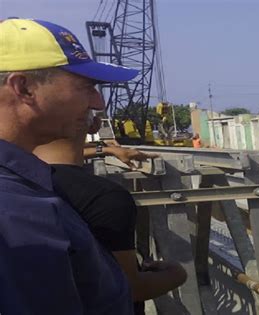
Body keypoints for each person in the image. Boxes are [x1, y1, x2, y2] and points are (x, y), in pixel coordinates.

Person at [0, 18, 139, 314]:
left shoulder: (24, 187)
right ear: (23, 88)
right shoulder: (17, 212)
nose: (98, 104)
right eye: (86, 87)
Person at [33, 115, 187, 315]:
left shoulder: (14, 178)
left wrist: (106, 149)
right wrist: (177, 275)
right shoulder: (105, 198)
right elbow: (130, 288)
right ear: (89, 125)